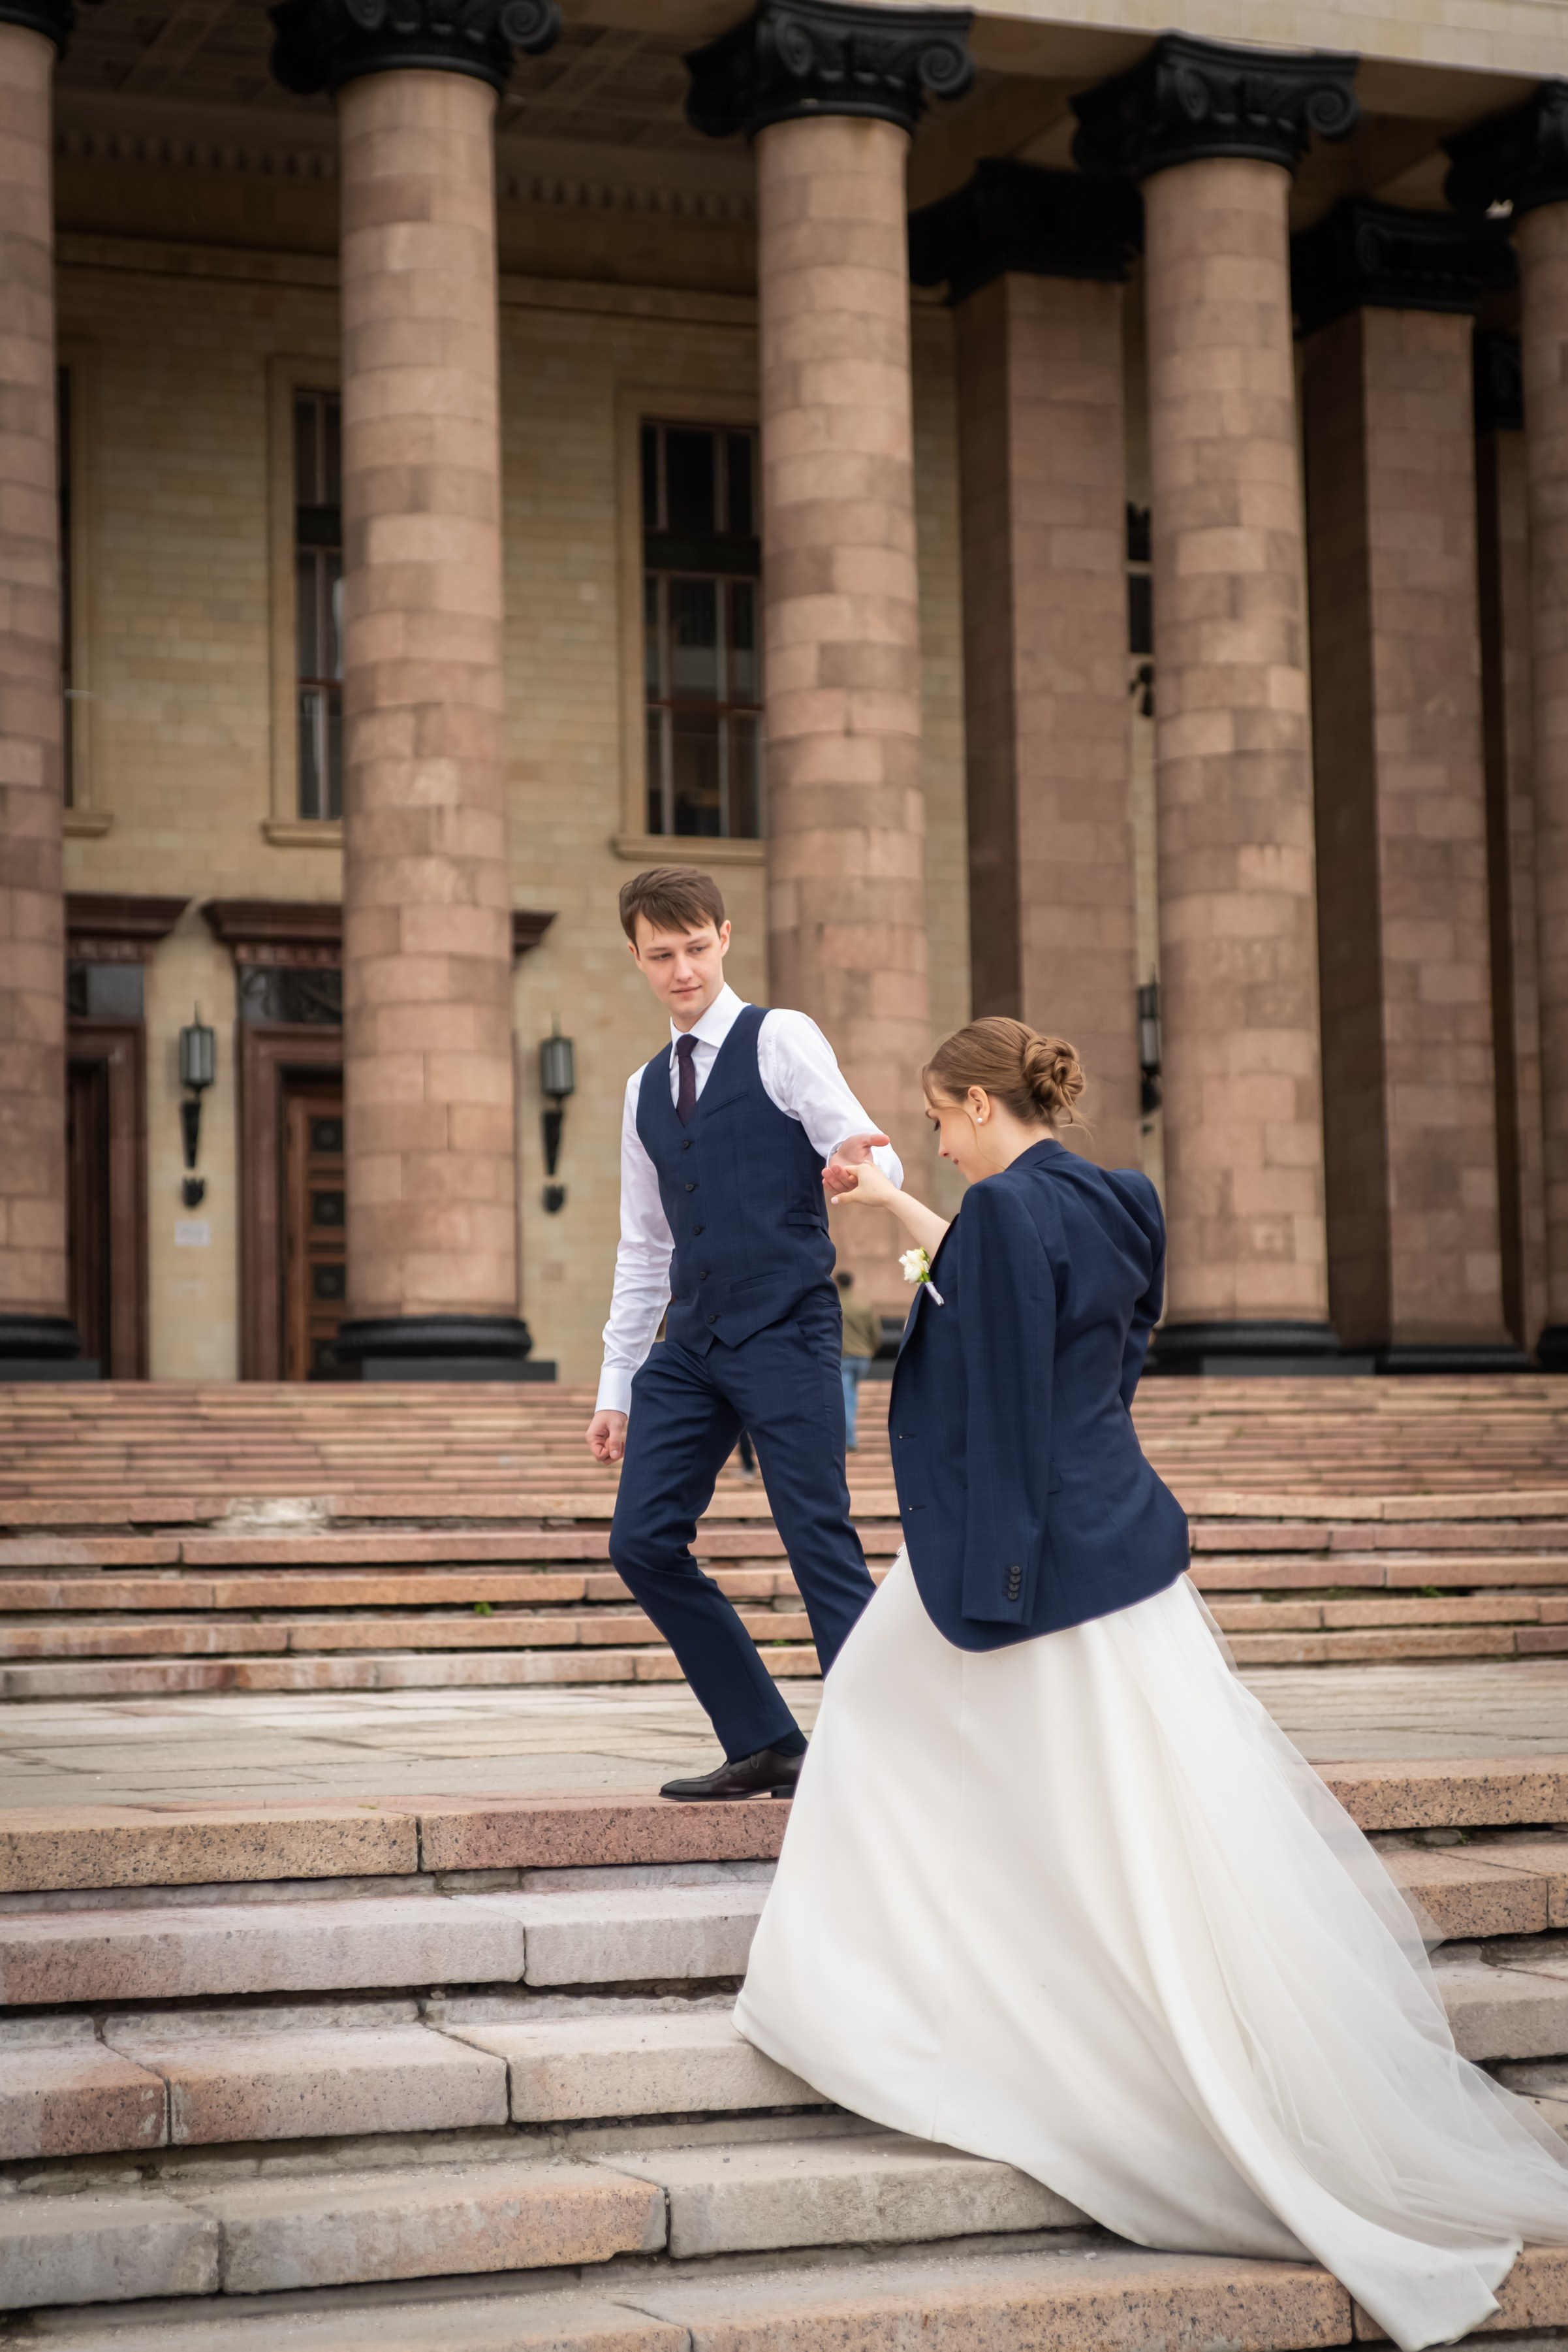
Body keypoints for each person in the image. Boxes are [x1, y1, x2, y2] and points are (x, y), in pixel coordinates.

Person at [736, 1015, 1568, 2352]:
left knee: (893, 1709)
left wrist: (985, 1583)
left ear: (975, 1104)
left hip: (1035, 1552)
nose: (936, 1138)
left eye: (938, 1120)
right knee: (1112, 1799)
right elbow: (1049, 1306)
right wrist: (897, 1199)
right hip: (1124, 1537)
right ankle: (925, 1944)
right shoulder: (1119, 1197)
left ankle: (862, 1997)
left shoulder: (1004, 1213)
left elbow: (1000, 1386)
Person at [585, 865, 900, 1801]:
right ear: (635, 957)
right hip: (691, 1344)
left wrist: (848, 1158)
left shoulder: (780, 1037)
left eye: (694, 947)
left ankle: (886, 1753)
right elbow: (643, 1247)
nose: (681, 968)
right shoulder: (642, 1089)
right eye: (660, 953)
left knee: (816, 1535)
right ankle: (765, 1737)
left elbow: (851, 1133)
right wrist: (615, 1387)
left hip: (786, 1324)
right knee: (641, 1541)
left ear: (723, 937)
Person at [834, 1268, 883, 1450]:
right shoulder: (864, 1304)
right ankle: (849, 1438)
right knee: (851, 1395)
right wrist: (871, 1351)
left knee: (846, 1398)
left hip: (844, 1357)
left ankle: (850, 1441)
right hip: (863, 1357)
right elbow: (876, 1333)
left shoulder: (835, 1303)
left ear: (837, 1283)